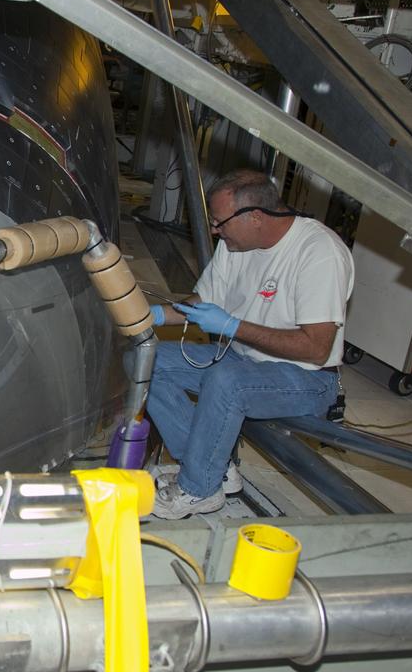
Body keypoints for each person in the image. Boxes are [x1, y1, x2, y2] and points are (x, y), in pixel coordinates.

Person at [146, 169, 354, 518]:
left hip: (307, 378)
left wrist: (232, 326)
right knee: (148, 359)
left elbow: (316, 348)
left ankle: (199, 490)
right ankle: (211, 468)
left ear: (256, 217)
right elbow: (204, 301)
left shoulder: (319, 253)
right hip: (241, 361)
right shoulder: (235, 243)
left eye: (219, 222)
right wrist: (151, 316)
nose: (214, 230)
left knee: (226, 381)